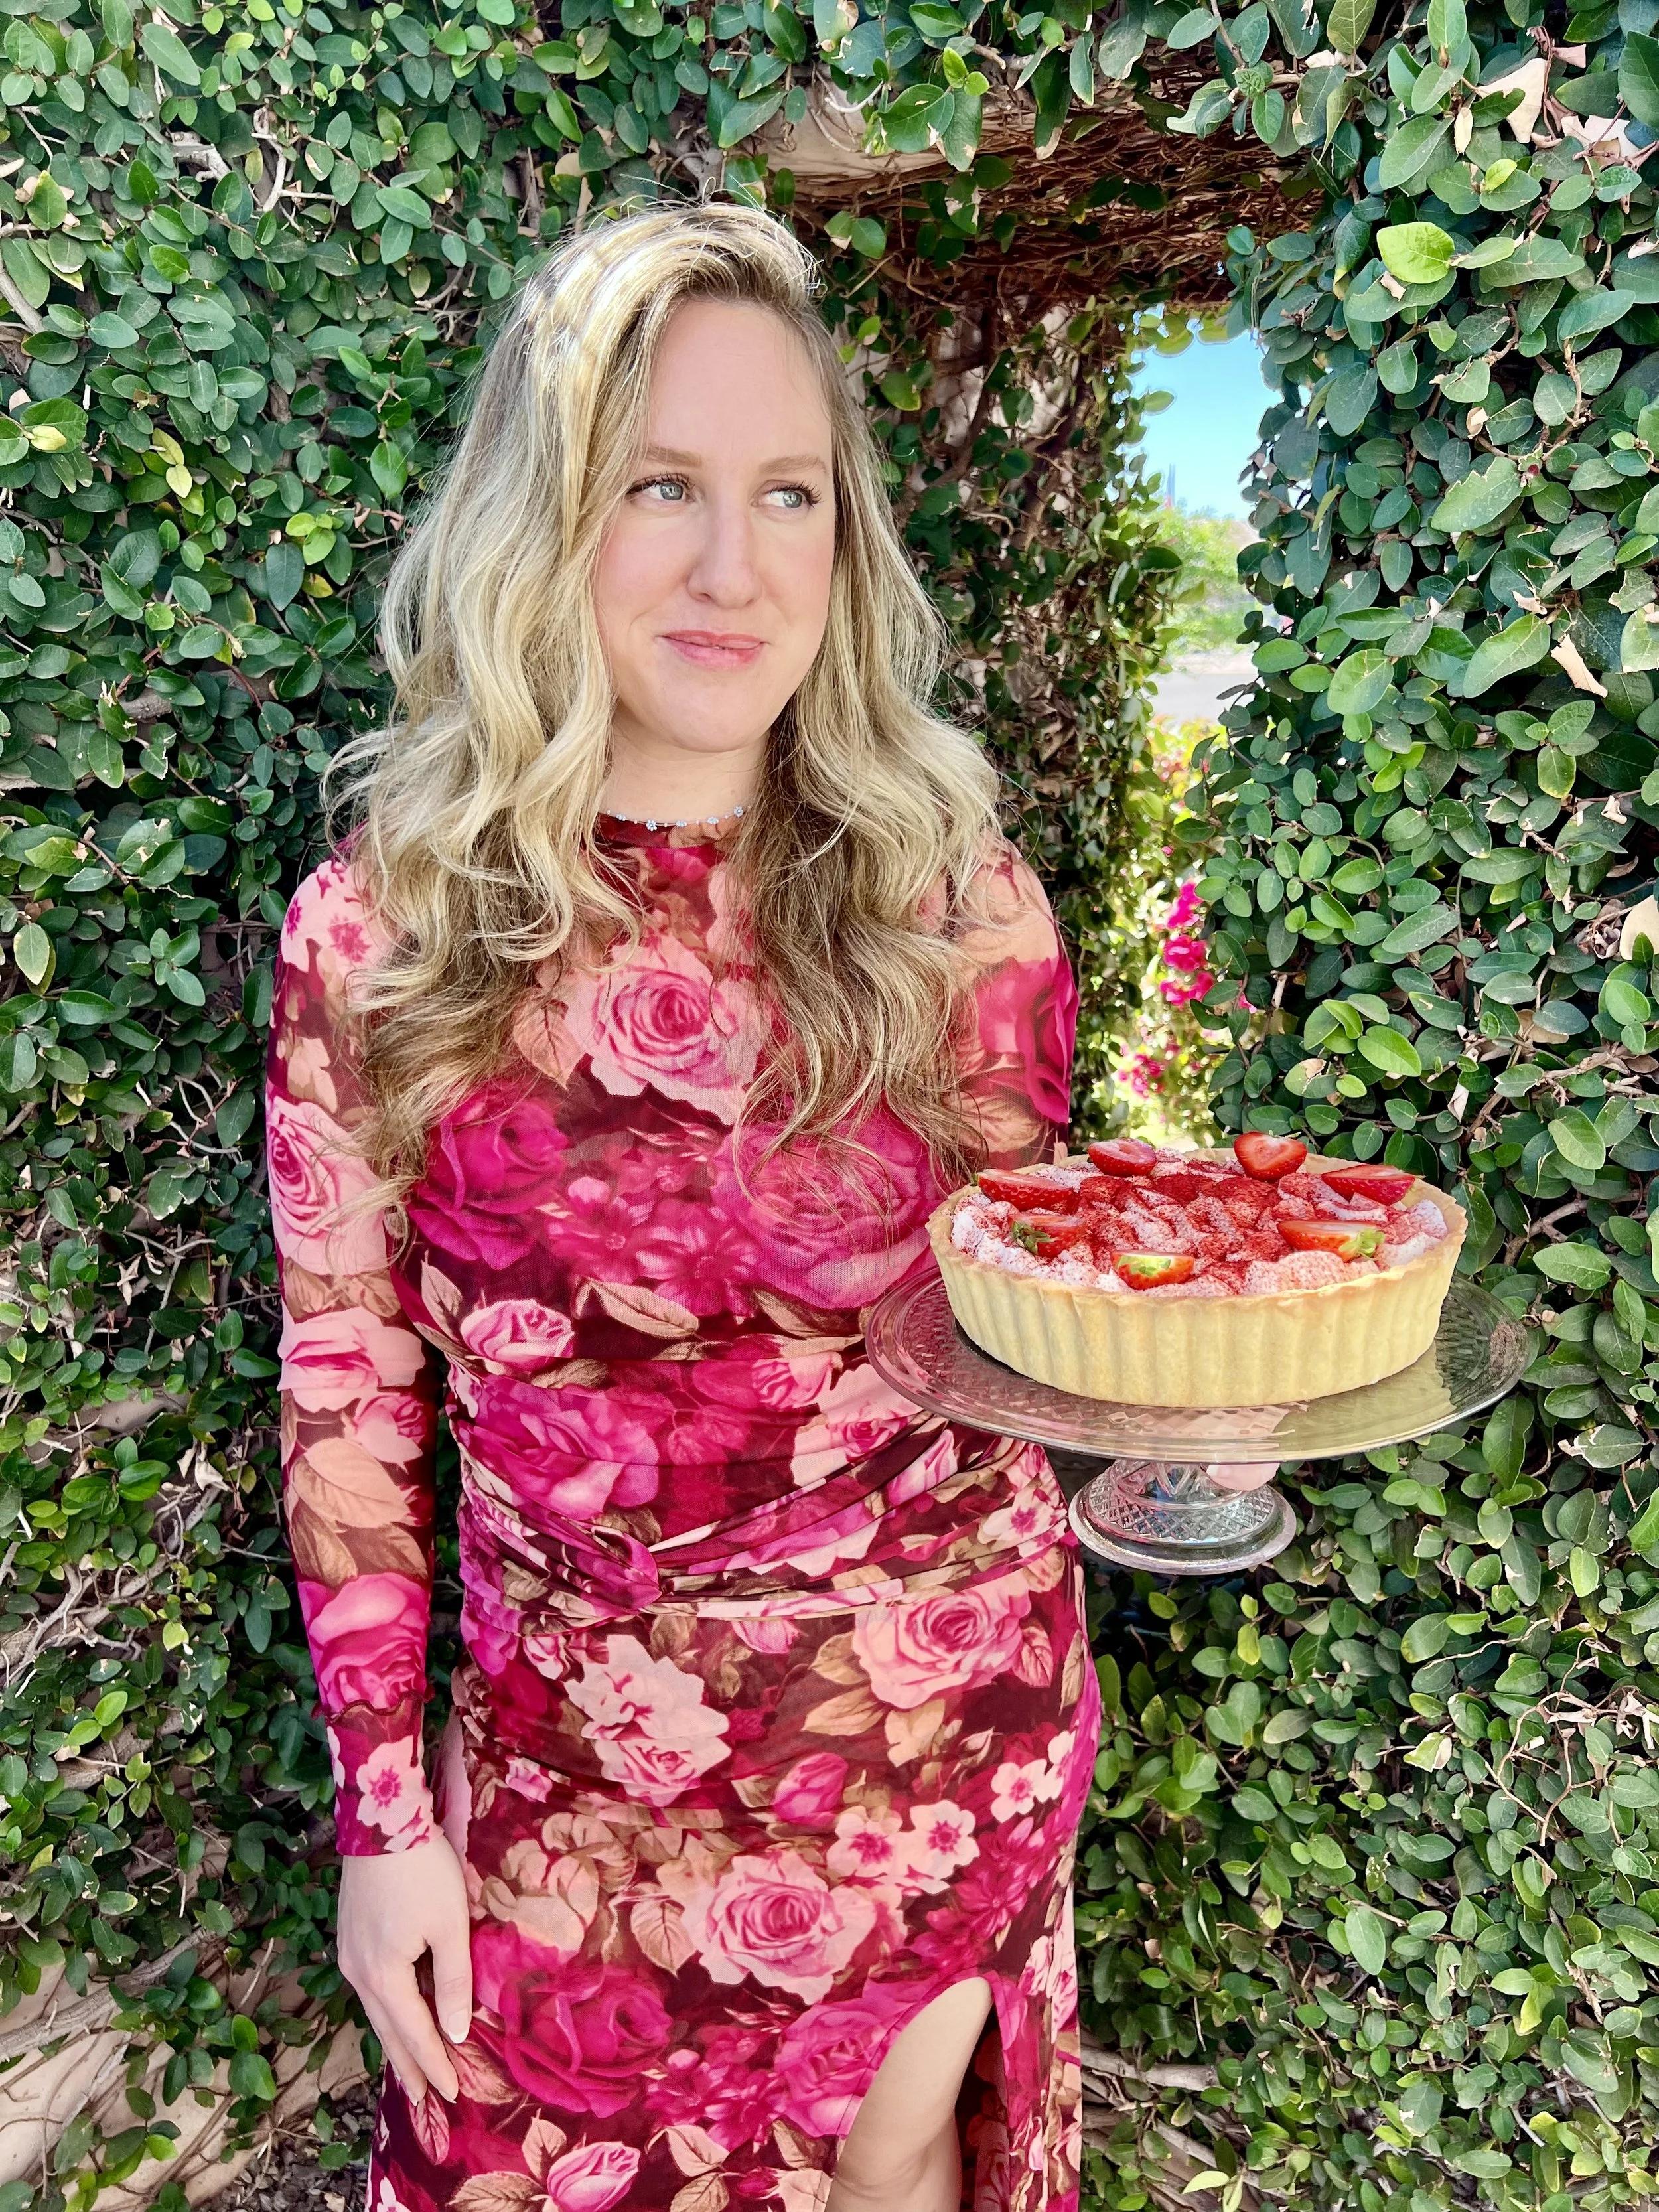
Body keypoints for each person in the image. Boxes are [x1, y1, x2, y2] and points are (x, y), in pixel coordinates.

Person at [265, 198, 1102, 2212]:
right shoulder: (382, 938)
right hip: (563, 1772)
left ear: (846, 539)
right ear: (543, 517)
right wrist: (388, 1823)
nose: (735, 566)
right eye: (660, 484)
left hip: (921, 1742)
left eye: (788, 494)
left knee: (888, 2161)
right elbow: (346, 1390)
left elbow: (1047, 1321)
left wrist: (1186, 1419)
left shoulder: (957, 911)